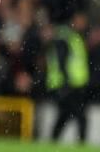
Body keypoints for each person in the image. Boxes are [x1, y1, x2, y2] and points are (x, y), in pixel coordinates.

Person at [47, 12, 90, 143]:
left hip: (72, 85)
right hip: (67, 85)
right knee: (80, 117)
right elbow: (61, 61)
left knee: (64, 116)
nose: (84, 23)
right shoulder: (66, 37)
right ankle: (82, 144)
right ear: (74, 19)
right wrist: (66, 83)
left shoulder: (71, 36)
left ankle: (52, 143)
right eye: (81, 19)